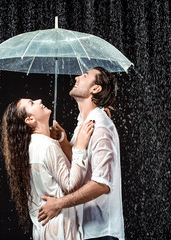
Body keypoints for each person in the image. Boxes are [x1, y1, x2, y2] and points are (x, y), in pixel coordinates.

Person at [38, 67, 125, 240]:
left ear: (96, 88)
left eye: (85, 76)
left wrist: (59, 204)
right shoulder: (84, 122)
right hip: (84, 230)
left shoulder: (101, 127)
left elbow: (102, 184)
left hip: (102, 232)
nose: (77, 77)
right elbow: (83, 165)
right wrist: (63, 140)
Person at [1, 98, 95, 240]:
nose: (39, 100)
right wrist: (80, 147)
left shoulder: (31, 147)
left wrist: (61, 139)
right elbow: (71, 186)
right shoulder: (47, 146)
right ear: (30, 120)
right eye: (32, 103)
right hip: (60, 231)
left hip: (45, 230)